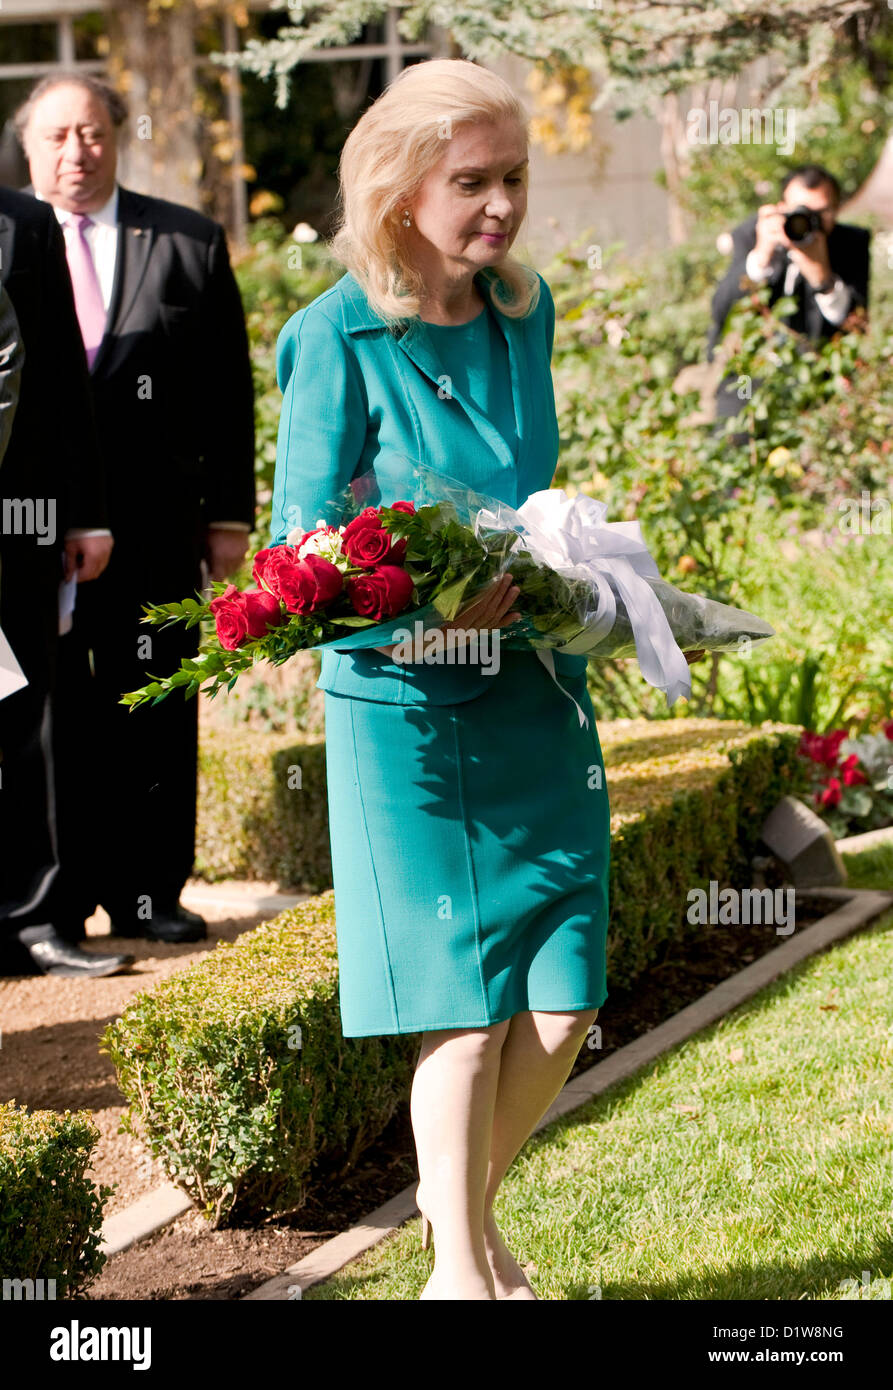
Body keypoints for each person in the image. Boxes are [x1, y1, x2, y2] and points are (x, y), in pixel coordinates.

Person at [269, 57, 705, 1300]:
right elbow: (293, 562)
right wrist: (416, 621)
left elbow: (520, 497)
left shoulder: (526, 312)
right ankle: (462, 1276)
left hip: (532, 694)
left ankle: (453, 1228)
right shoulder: (331, 335)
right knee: (462, 1017)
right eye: (473, 182)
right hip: (410, 717)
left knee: (562, 1004)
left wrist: (583, 573)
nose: (501, 204)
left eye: (513, 176)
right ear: (401, 187)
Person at [13, 74, 256, 946]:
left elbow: (229, 393)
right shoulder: (11, 245)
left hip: (157, 525)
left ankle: (150, 892)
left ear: (118, 136)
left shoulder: (186, 241)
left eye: (91, 133)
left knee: (152, 700)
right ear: (27, 147)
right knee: (50, 718)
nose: (74, 152)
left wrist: (229, 517)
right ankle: (58, 900)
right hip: (37, 530)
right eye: (55, 137)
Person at [0, 185, 133, 979]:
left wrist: (84, 515)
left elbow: (55, 379)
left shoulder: (24, 222)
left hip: (18, 520)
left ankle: (36, 920)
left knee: (26, 716)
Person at [707, 164, 871, 420]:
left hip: (815, 379)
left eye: (821, 212)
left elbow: (858, 326)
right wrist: (760, 259)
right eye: (800, 211)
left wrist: (823, 278)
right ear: (781, 207)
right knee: (737, 437)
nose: (808, 221)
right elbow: (720, 311)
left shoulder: (851, 243)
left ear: (837, 210)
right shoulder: (753, 234)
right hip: (747, 375)